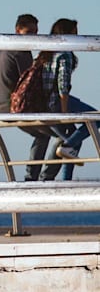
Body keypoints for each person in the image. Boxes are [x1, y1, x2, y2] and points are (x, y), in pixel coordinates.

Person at [0, 13, 50, 181]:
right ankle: (37, 177)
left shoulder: (5, 49)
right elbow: (28, 85)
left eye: (36, 32)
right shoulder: (20, 52)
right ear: (18, 30)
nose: (34, 36)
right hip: (12, 107)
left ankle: (35, 176)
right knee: (48, 132)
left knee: (47, 131)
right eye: (30, 31)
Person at [47, 18, 94, 175]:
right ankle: (67, 147)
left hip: (44, 102)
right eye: (74, 34)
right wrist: (65, 111)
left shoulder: (46, 52)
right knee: (95, 118)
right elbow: (63, 85)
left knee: (73, 137)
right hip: (57, 101)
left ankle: (66, 179)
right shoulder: (64, 54)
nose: (77, 38)